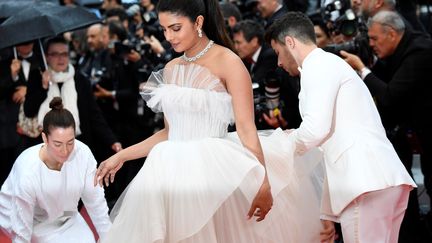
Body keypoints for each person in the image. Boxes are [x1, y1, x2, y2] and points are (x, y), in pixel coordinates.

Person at [94, 0, 325, 242]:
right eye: (164, 30)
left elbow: (247, 130)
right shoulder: (171, 68)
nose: (168, 37)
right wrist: (121, 156)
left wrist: (263, 181)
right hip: (167, 173)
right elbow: (168, 133)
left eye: (175, 28)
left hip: (214, 173)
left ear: (198, 22)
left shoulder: (229, 62)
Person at [265, 11, 416, 243]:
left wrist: (280, 146)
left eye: (277, 53)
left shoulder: (317, 65)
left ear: (290, 42)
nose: (279, 62)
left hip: (364, 182)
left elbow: (315, 130)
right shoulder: (327, 63)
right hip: (379, 179)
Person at [341, 10, 432, 242]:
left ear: (391, 34)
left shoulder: (420, 51)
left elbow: (390, 95)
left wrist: (361, 68)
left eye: (374, 39)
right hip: (412, 132)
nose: (370, 44)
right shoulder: (396, 50)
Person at [0, 97, 111, 243]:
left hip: (66, 214)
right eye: (58, 144)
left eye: (70, 142)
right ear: (45, 138)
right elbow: (21, 231)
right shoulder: (28, 170)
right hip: (32, 219)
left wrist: (109, 237)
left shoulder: (83, 153)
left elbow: (96, 201)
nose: (65, 151)